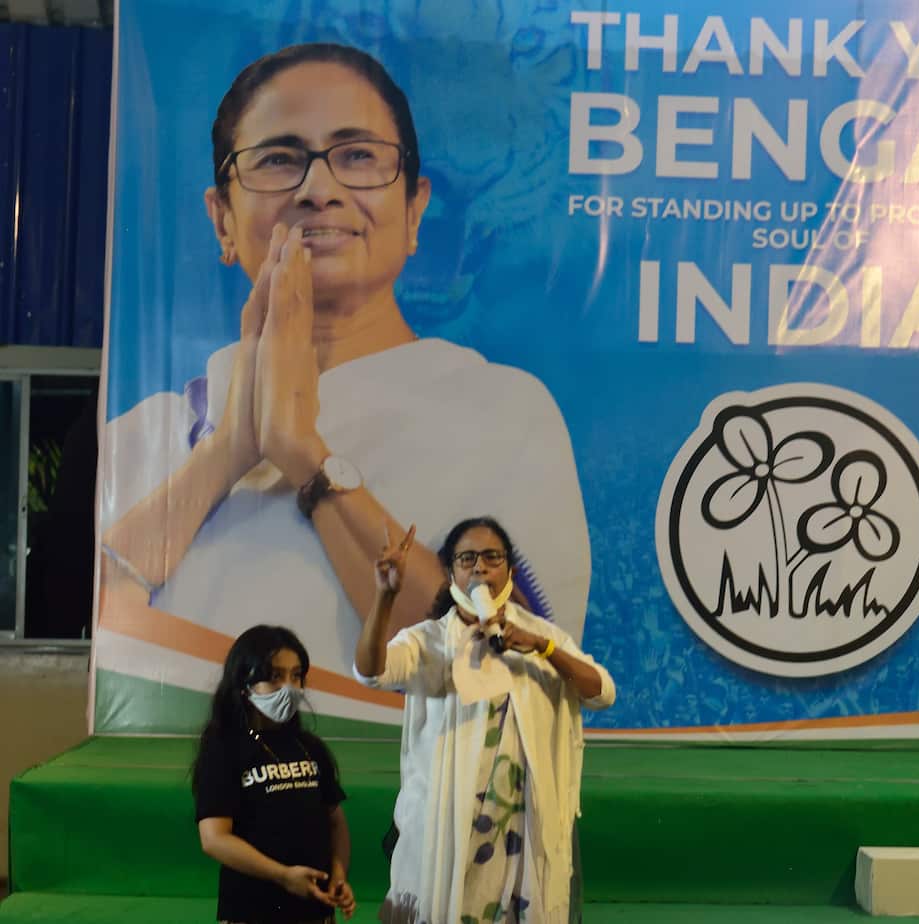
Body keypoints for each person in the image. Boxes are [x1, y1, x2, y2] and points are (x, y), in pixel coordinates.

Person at [96, 43, 590, 721]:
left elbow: (513, 677)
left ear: (415, 210)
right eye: (278, 158)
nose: (318, 189)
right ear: (222, 218)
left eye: (357, 156)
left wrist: (305, 458)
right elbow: (98, 648)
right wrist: (226, 453)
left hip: (412, 807)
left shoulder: (504, 413)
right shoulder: (144, 434)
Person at [355, 517, 615, 924]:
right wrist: (385, 598)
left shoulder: (541, 636)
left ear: (509, 569)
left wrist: (544, 649)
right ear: (451, 571)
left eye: (492, 557)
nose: (480, 568)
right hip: (447, 825)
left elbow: (601, 691)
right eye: (467, 558)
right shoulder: (429, 641)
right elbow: (371, 671)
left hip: (521, 824)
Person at [193, 625, 356, 923]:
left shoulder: (310, 747)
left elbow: (336, 822)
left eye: (296, 676)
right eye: (275, 676)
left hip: (315, 911)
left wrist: (338, 873)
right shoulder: (224, 748)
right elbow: (214, 838)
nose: (289, 688)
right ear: (244, 683)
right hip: (253, 910)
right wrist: (283, 876)